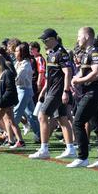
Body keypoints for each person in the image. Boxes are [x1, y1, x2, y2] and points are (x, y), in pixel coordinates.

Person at [29, 29, 77, 160]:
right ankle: (70, 148)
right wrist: (44, 90)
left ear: (53, 39)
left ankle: (44, 149)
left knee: (42, 115)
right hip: (52, 90)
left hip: (57, 91)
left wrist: (66, 91)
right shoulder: (51, 53)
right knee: (62, 118)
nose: (43, 42)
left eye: (45, 39)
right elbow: (51, 75)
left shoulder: (61, 53)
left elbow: (68, 72)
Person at [67, 27, 98, 168]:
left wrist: (79, 81)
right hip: (90, 93)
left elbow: (97, 73)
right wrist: (75, 79)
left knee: (78, 122)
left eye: (79, 36)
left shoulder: (95, 52)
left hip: (93, 93)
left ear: (86, 36)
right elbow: (83, 71)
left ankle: (82, 157)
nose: (78, 38)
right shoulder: (87, 53)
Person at [0, 54, 24, 149]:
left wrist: (3, 100)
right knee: (11, 121)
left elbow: (10, 89)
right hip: (3, 102)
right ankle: (20, 141)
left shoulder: (7, 73)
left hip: (5, 102)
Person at [13, 44, 41, 143]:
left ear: (22, 53)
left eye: (16, 51)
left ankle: (9, 135)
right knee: (31, 115)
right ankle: (40, 134)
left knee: (16, 113)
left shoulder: (25, 64)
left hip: (24, 90)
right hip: (21, 90)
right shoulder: (18, 63)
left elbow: (18, 78)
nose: (14, 52)